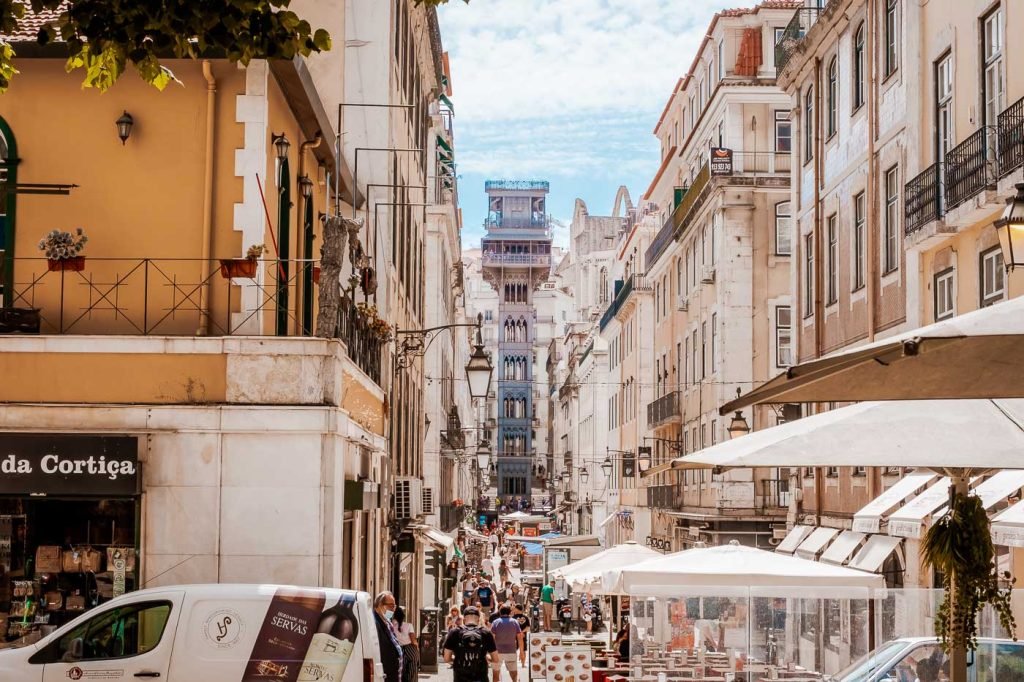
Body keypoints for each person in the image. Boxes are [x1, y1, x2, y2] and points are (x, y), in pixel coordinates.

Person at [444, 606, 497, 682]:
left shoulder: (454, 632)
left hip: (460, 678)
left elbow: (446, 658)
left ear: (464, 619)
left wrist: (459, 659)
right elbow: (495, 659)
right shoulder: (486, 633)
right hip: (481, 678)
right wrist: (485, 658)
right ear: (478, 619)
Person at [374, 592, 403, 682]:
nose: (393, 609)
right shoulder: (375, 623)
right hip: (385, 675)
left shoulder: (387, 622)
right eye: (391, 606)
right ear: (380, 605)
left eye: (394, 606)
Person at [490, 604, 523, 682]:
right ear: (510, 612)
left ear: (500, 612)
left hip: (497, 652)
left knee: (495, 676)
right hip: (511, 651)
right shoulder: (515, 622)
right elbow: (520, 638)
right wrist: (521, 652)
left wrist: (490, 652)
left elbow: (491, 638)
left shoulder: (495, 622)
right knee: (514, 675)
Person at [392, 607, 419, 682]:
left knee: (401, 671)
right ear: (403, 616)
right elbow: (413, 640)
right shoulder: (409, 625)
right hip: (410, 649)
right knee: (412, 670)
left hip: (398, 650)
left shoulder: (391, 626)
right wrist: (417, 647)